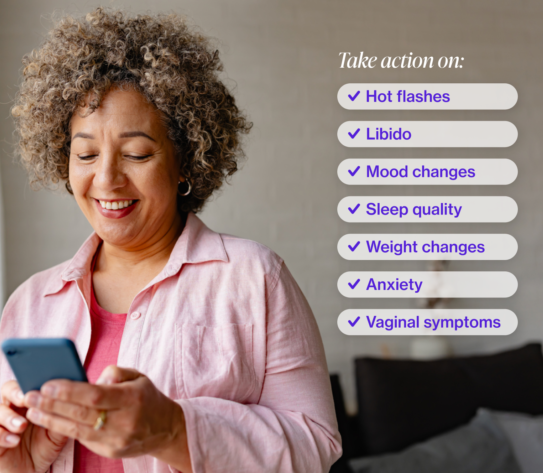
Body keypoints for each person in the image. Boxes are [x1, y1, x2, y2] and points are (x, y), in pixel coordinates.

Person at [0, 8, 342, 473]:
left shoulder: (255, 278)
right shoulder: (29, 304)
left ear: (185, 162)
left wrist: (173, 429)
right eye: (85, 153)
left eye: (137, 153)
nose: (106, 179)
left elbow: (315, 446)